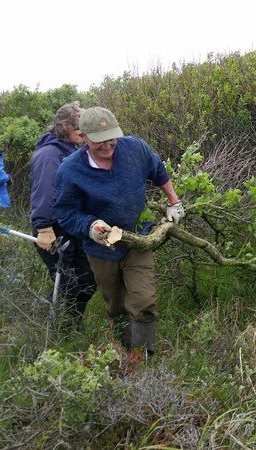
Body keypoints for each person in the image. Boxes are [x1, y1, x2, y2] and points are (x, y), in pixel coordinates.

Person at [54, 107, 185, 358]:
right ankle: (124, 353)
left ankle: (142, 358)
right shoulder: (70, 171)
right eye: (99, 141)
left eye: (111, 138)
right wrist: (90, 226)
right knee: (116, 304)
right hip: (101, 249)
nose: (107, 145)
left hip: (137, 239)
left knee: (144, 302)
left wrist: (173, 201)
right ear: (82, 137)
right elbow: (66, 212)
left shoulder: (135, 148)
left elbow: (157, 170)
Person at [30, 102, 97, 330]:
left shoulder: (74, 150)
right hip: (53, 229)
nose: (83, 132)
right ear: (65, 126)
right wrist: (44, 227)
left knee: (88, 280)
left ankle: (72, 324)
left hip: (74, 226)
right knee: (67, 283)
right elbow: (44, 191)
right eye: (79, 127)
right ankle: (55, 330)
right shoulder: (49, 154)